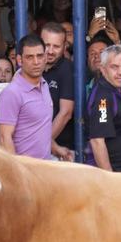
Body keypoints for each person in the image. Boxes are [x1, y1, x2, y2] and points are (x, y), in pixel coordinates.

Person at [0, 35, 60, 160]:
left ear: (45, 57)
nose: (36, 62)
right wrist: (17, 173)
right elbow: (4, 137)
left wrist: (57, 149)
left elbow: (39, 128)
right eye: (30, 57)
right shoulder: (11, 93)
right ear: (20, 60)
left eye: (40, 56)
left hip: (44, 169)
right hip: (25, 173)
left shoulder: (44, 85)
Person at [86, 45, 121, 172]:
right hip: (113, 174)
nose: (120, 72)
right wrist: (110, 179)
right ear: (102, 69)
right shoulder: (103, 98)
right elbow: (97, 142)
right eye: (114, 67)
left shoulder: (117, 89)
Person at [41, 22, 75, 155]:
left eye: (56, 46)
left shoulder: (67, 69)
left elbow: (66, 113)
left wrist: (43, 142)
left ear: (64, 46)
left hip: (61, 148)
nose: (50, 51)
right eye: (46, 45)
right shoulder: (34, 67)